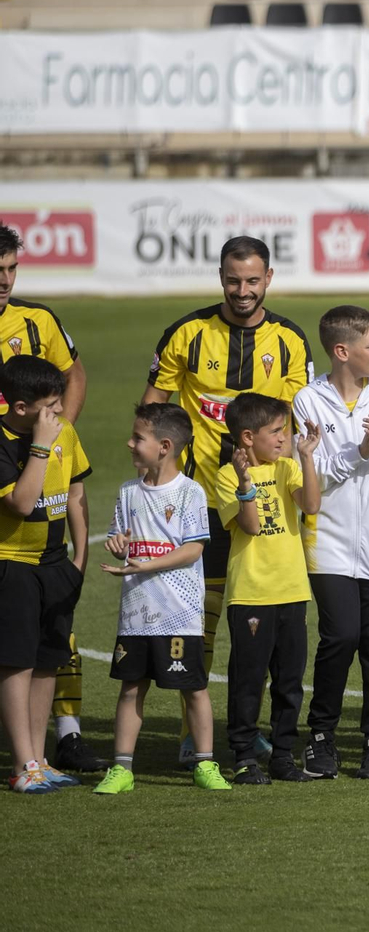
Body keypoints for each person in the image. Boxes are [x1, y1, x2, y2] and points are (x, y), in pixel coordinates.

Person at [142, 235, 312, 766]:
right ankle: (198, 733)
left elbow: (294, 416)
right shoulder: (187, 333)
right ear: (221, 277)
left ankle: (251, 731)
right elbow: (153, 410)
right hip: (197, 500)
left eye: (253, 281)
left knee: (261, 625)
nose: (243, 291)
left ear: (268, 280)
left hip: (267, 501)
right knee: (203, 619)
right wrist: (155, 480)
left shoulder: (288, 339)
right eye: (234, 280)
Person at [294, 306, 369, 782]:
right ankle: (321, 738)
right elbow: (314, 476)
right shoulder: (307, 401)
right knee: (340, 637)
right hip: (327, 541)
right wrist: (359, 451)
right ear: (343, 351)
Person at [0, 224, 101, 776]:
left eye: (12, 269)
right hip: (9, 520)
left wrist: (53, 444)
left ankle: (62, 738)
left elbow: (73, 375)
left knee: (50, 641)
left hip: (43, 520)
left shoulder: (37, 321)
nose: (6, 281)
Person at [93, 403, 230, 794]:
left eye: (138, 438)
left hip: (179, 615)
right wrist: (121, 546)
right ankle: (122, 769)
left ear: (165, 446)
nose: (130, 443)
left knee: (193, 687)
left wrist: (142, 567)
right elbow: (122, 541)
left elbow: (192, 550)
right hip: (136, 614)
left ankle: (205, 763)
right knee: (131, 686)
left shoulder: (190, 492)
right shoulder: (127, 492)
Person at [216, 392, 321, 785]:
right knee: (248, 680)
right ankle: (244, 756)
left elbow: (310, 505)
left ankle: (282, 756)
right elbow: (252, 526)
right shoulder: (228, 476)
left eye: (286, 430)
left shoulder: (289, 467)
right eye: (276, 432)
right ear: (247, 437)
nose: (284, 438)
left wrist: (307, 457)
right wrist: (246, 484)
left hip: (292, 592)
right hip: (251, 595)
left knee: (290, 681)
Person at [0, 356, 89, 793]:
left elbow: (76, 493)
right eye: (50, 407)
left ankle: (40, 759)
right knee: (16, 663)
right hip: (11, 565)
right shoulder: (4, 440)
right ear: (20, 408)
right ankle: (22, 765)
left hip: (56, 566)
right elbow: (20, 502)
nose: (58, 415)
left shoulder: (63, 432)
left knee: (47, 661)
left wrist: (79, 562)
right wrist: (39, 447)